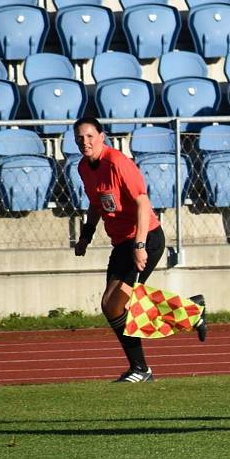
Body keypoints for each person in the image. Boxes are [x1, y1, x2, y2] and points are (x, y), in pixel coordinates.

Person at [73, 117, 207, 383]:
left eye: (90, 136)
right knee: (111, 306)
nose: (85, 142)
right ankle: (193, 311)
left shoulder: (118, 163)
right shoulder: (84, 167)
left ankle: (141, 368)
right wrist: (85, 236)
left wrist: (140, 245)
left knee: (118, 305)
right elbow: (97, 204)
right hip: (121, 243)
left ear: (102, 136)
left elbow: (143, 204)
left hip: (145, 239)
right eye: (79, 138)